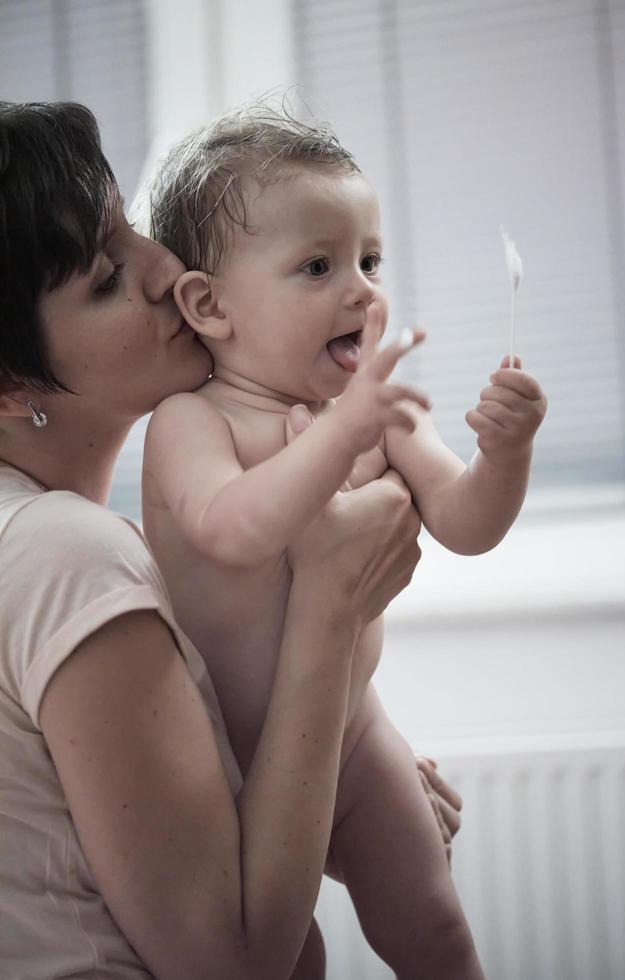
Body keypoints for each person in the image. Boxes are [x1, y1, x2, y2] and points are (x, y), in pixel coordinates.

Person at [0, 100, 461, 980]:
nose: (167, 269)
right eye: (106, 277)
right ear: (11, 386)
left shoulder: (82, 544)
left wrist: (347, 774)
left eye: (131, 232)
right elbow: (238, 964)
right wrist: (330, 609)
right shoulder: (62, 553)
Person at [141, 104, 545, 979]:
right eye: (318, 266)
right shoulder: (189, 423)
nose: (362, 290)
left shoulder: (372, 412)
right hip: (218, 765)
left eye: (369, 259)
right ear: (209, 306)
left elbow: (467, 523)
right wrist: (343, 432)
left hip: (351, 735)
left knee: (436, 928)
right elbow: (235, 528)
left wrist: (504, 455)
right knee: (295, 962)